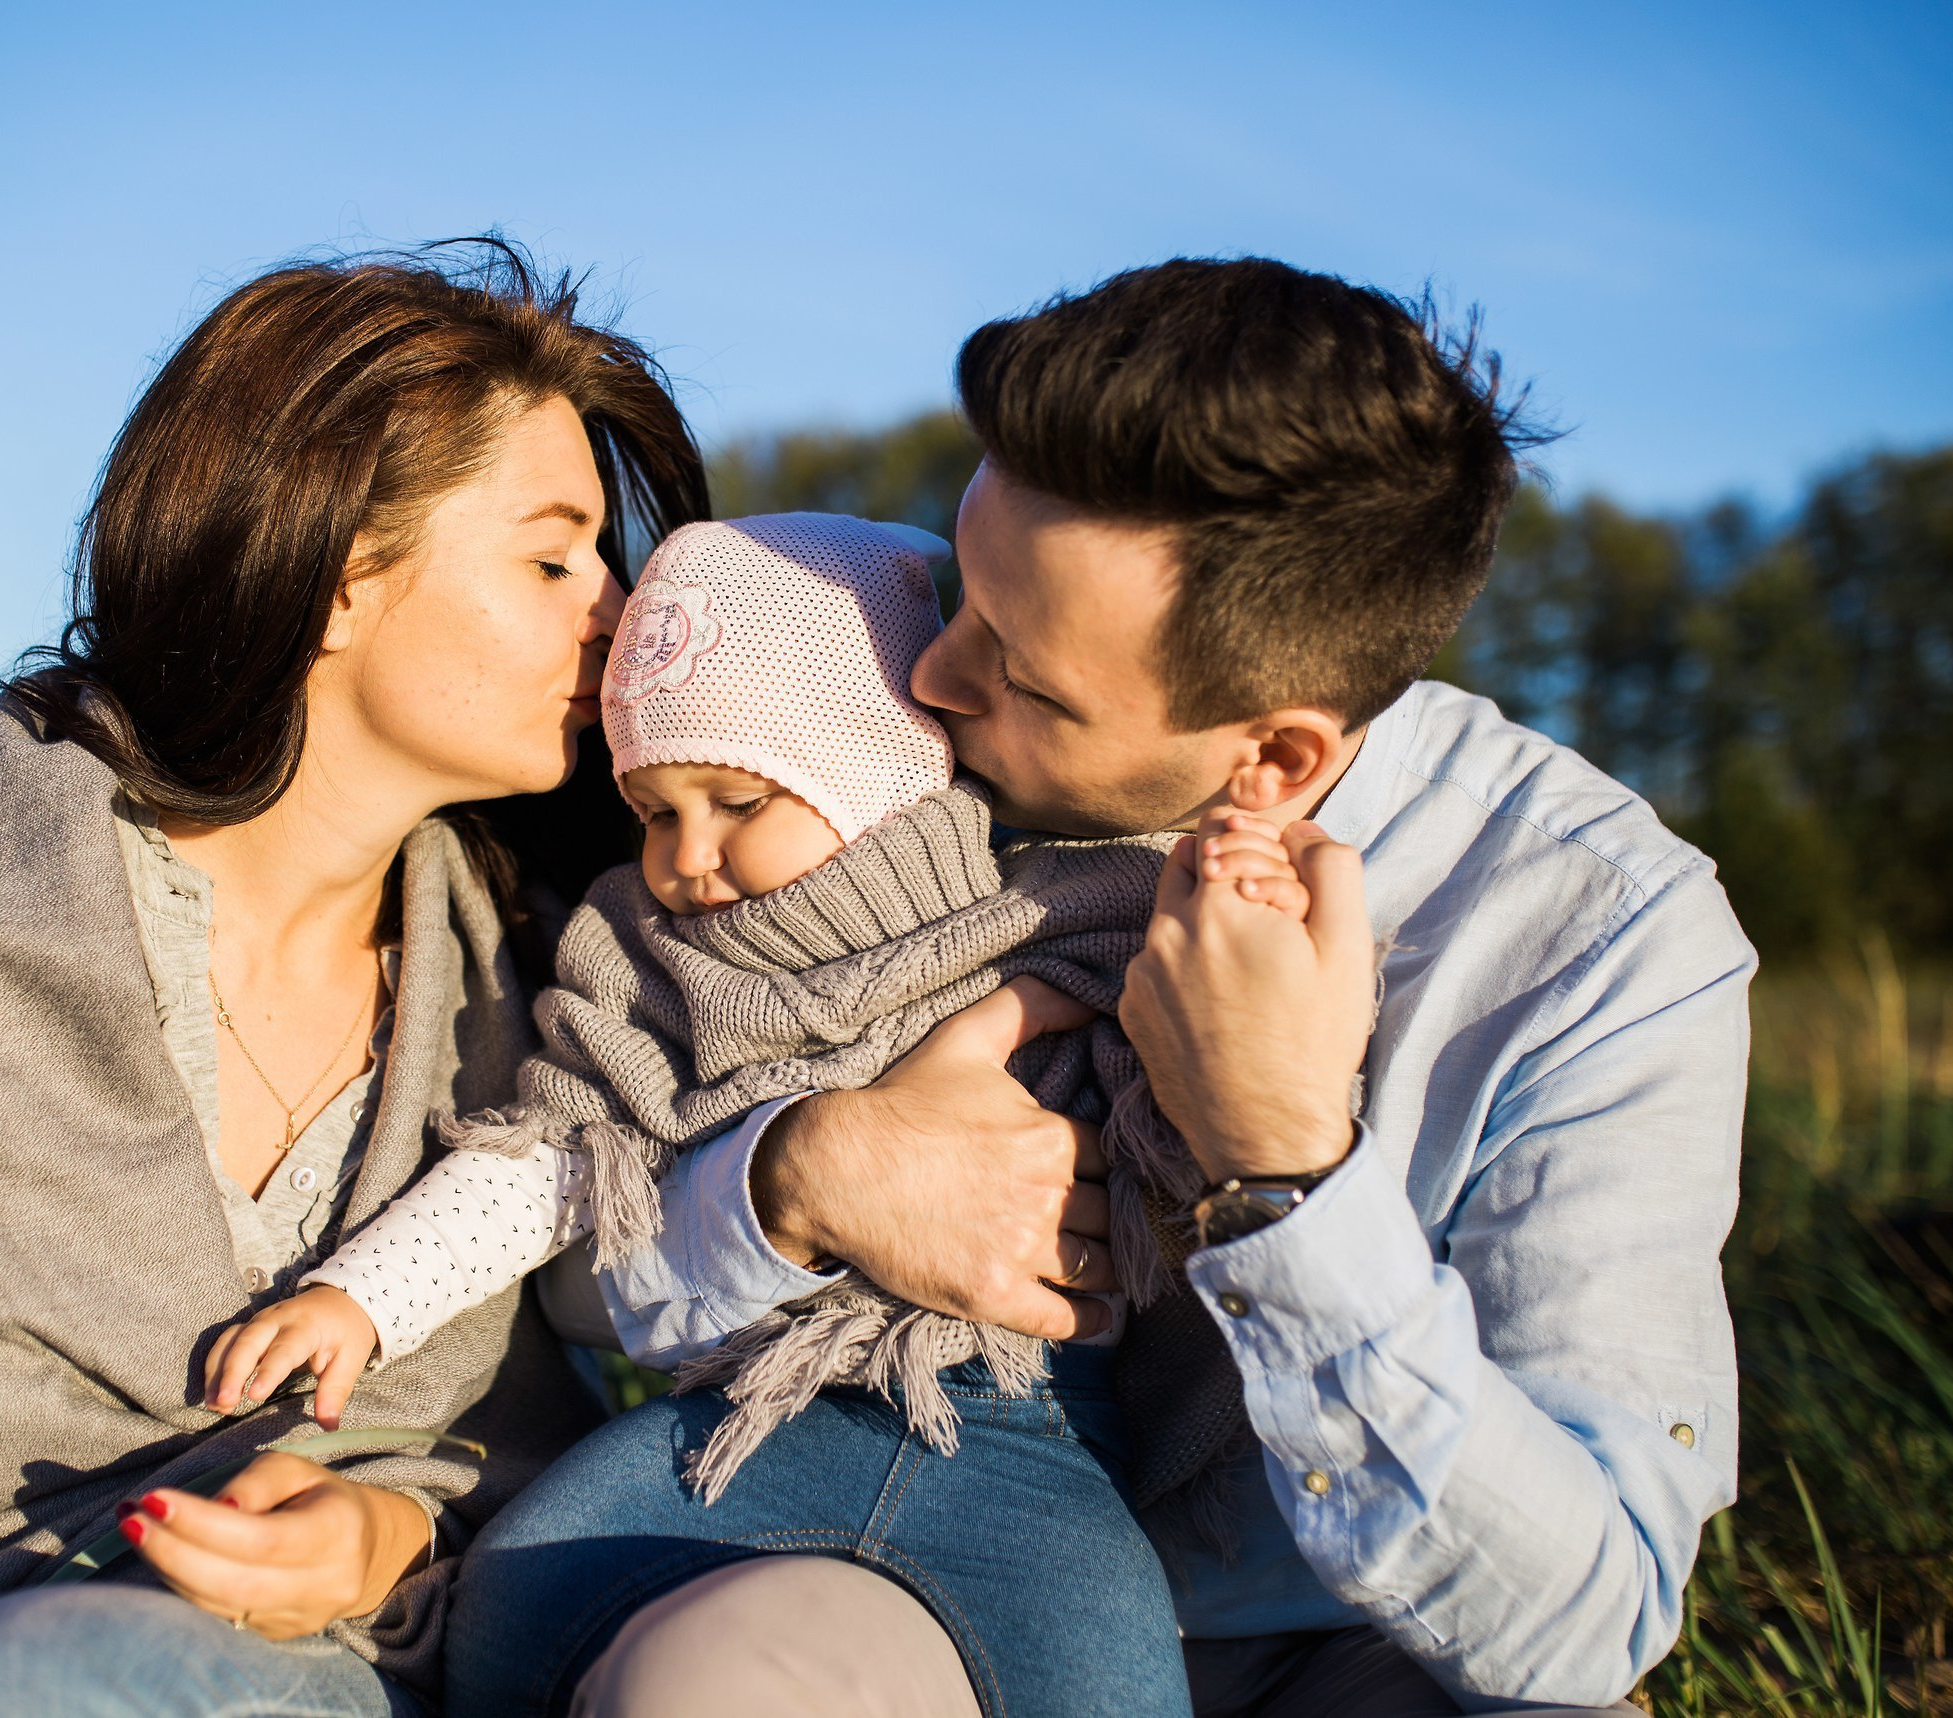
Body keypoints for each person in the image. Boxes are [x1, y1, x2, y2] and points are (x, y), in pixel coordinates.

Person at [446, 258, 1753, 1717]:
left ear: (1278, 763)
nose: (934, 675)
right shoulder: (861, 754)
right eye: (964, 584)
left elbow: (1588, 1619)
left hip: (1359, 1654)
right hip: (891, 1593)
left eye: (1024, 672)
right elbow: (564, 1254)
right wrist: (793, 1182)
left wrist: (1286, 1178)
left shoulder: (1595, 940)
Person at [0, 242, 707, 1718]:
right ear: (341, 575)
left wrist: (387, 1534)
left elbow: (549, 1431)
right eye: (552, 558)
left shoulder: (531, 978)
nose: (616, 613)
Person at [205, 511, 1320, 1716]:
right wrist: (364, 1296)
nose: (688, 857)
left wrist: (1240, 901)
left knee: (1110, 1679)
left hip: (1024, 1424)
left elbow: (1196, 1081)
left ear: (879, 767)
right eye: (653, 809)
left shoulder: (1061, 909)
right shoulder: (648, 959)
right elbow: (556, 1160)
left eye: (737, 798)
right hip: (734, 1413)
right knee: (508, 1615)